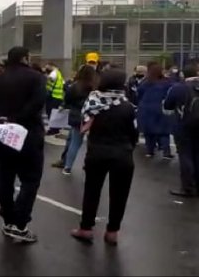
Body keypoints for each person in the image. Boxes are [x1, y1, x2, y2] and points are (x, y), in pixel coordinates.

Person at [0, 47, 46, 243]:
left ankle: (8, 220)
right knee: (30, 180)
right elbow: (37, 103)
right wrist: (16, 119)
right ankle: (20, 224)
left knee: (5, 178)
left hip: (3, 134)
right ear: (25, 58)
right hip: (28, 134)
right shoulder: (36, 78)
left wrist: (2, 120)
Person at [71, 69, 137, 245]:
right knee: (119, 195)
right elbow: (134, 134)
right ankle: (112, 231)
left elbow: (83, 125)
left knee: (92, 191)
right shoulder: (127, 106)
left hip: (97, 153)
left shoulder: (93, 102)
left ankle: (85, 228)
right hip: (123, 155)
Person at [164, 63, 199, 197]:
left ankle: (188, 187)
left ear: (183, 74)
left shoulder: (179, 88)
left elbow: (168, 105)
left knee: (185, 156)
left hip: (184, 125)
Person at [60, 65, 97, 175]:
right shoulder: (95, 86)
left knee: (74, 143)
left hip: (77, 116)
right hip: (92, 117)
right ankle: (89, 165)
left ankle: (67, 167)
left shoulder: (75, 86)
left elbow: (67, 100)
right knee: (92, 144)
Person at [137, 62, 174, 159]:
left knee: (148, 132)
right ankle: (166, 152)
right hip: (161, 108)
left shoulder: (145, 82)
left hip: (146, 108)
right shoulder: (167, 82)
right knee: (164, 131)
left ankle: (149, 151)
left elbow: (139, 94)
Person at [45, 62, 65, 136]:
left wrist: (45, 76)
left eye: (47, 66)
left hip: (53, 96)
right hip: (58, 96)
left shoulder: (54, 73)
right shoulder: (59, 73)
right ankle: (56, 129)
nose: (46, 68)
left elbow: (50, 78)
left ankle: (53, 129)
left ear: (52, 66)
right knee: (55, 114)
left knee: (51, 114)